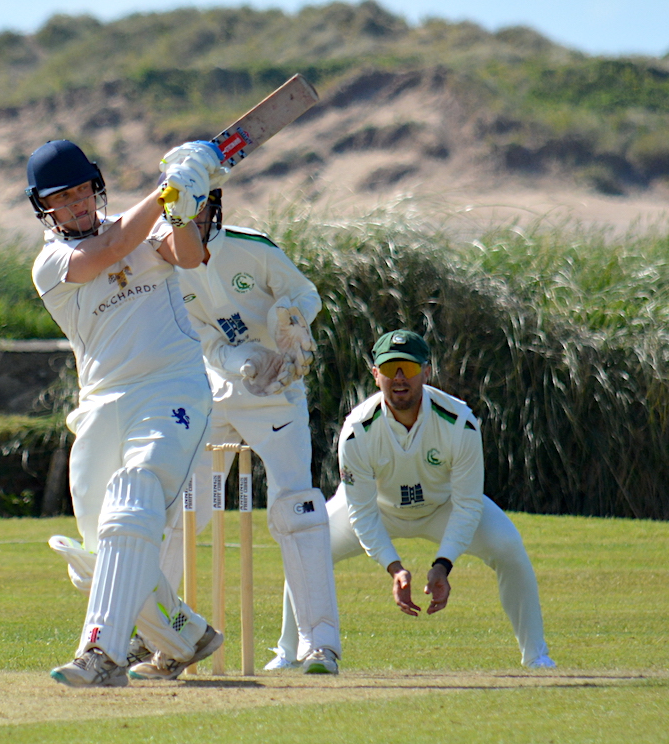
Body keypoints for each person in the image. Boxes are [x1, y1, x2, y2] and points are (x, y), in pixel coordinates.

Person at [28, 138, 229, 687]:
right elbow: (107, 252)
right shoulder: (51, 262)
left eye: (81, 193)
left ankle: (101, 655)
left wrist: (186, 207)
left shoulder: (144, 225)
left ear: (97, 188)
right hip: (100, 403)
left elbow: (188, 255)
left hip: (172, 390)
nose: (75, 207)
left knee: (133, 505)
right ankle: (187, 635)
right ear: (44, 209)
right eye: (61, 200)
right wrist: (166, 193)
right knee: (97, 555)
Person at [269, 329, 556, 669]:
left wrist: (442, 564)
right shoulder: (357, 430)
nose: (400, 378)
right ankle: (288, 653)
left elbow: (467, 505)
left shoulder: (459, 422)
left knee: (508, 547)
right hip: (379, 508)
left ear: (426, 371)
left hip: (442, 507)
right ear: (376, 375)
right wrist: (394, 568)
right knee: (309, 549)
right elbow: (361, 510)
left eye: (408, 367)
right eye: (390, 369)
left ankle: (536, 656)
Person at [144, 189, 342, 676]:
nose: (188, 223)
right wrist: (243, 361)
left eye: (198, 212)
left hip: (278, 391)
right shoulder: (166, 261)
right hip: (220, 395)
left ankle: (322, 644)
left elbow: (307, 294)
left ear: (215, 209)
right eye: (178, 216)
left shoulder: (253, 248)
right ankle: (155, 638)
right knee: (184, 510)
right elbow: (206, 340)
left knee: (296, 507)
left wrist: (287, 323)